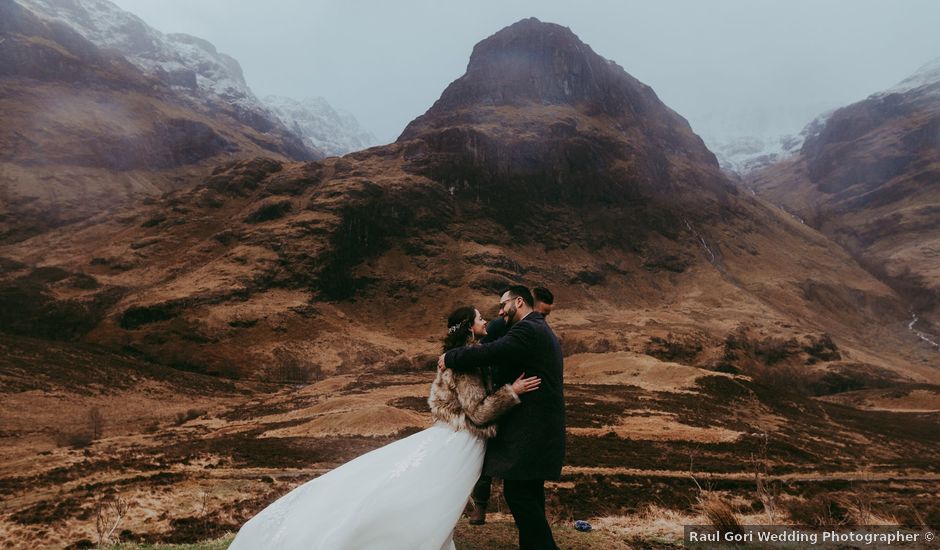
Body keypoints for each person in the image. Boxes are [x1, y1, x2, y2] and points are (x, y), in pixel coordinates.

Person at [228, 306, 541, 550]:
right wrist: (512, 392)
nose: (486, 320)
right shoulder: (467, 363)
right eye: (479, 318)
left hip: (454, 437)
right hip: (461, 443)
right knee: (436, 493)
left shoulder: (463, 356)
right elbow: (479, 411)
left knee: (434, 494)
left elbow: (498, 328)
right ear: (469, 328)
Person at [439, 285, 565, 550]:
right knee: (529, 495)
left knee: (518, 494)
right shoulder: (535, 327)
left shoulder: (528, 329)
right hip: (540, 431)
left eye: (502, 305)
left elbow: (490, 352)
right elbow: (493, 338)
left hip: (532, 431)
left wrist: (451, 356)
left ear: (518, 302)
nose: (498, 312)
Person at [469, 286, 555, 525]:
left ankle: (526, 516)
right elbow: (487, 352)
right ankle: (481, 506)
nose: (542, 317)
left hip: (513, 400)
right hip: (497, 396)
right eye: (541, 312)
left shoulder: (530, 329)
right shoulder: (503, 326)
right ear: (525, 303)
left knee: (517, 474)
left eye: (546, 315)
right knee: (491, 454)